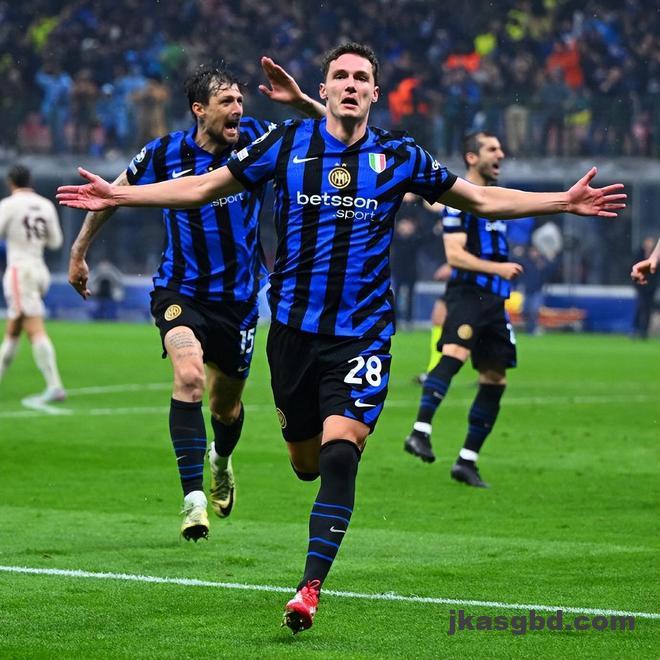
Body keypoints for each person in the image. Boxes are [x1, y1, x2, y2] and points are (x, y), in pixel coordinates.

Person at [57, 43, 626, 634]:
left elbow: (480, 198)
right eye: (340, 76)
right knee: (305, 464)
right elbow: (203, 187)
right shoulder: (285, 143)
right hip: (293, 334)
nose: (351, 84)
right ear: (324, 89)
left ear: (375, 93)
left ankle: (309, 588)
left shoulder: (399, 155)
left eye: (361, 77)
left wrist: (563, 201)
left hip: (363, 336)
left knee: (338, 454)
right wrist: (120, 194)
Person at [67, 58, 325, 543]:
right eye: (227, 101)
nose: (238, 108)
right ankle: (193, 502)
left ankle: (221, 462)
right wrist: (79, 251)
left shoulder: (257, 138)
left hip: (238, 302)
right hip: (180, 291)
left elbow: (334, 134)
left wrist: (303, 102)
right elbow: (113, 194)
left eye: (240, 100)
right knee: (188, 377)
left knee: (225, 408)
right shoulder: (163, 153)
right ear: (199, 109)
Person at [404, 131, 526, 482]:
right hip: (470, 293)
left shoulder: (496, 198)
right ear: (472, 158)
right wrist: (497, 268)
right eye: (492, 149)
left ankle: (466, 460)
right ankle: (420, 431)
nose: (500, 154)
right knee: (454, 354)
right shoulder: (459, 199)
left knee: (495, 378)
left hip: (495, 300)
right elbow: (455, 255)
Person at [0, 164, 66, 402]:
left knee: (34, 329)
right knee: (13, 331)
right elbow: (55, 242)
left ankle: (55, 385)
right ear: (30, 181)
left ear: (10, 182)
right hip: (39, 270)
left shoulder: (8, 205)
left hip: (20, 271)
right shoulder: (45, 205)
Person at [631, 237, 658, 339]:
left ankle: (644, 331)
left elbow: (656, 273)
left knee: (648, 309)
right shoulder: (639, 255)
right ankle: (636, 329)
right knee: (641, 307)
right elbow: (633, 270)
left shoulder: (655, 257)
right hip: (641, 287)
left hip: (651, 288)